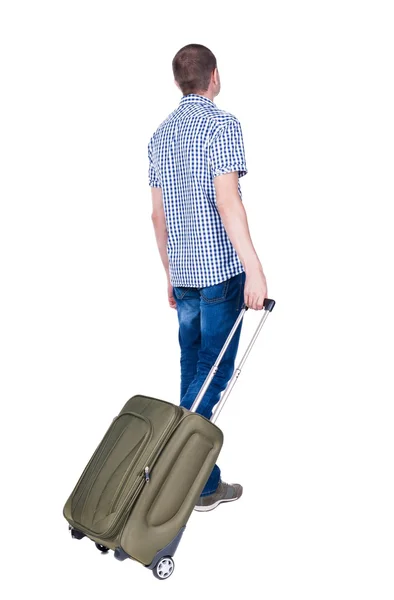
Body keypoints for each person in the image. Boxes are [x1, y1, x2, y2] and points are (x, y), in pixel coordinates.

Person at [148, 44, 268, 511]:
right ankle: (185, 478)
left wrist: (169, 274)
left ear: (180, 81)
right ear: (213, 76)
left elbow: (157, 216)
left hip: (184, 275)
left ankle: (201, 481)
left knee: (193, 372)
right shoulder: (223, 124)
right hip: (219, 274)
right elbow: (228, 202)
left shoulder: (159, 136)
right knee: (212, 378)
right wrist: (254, 268)